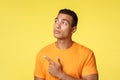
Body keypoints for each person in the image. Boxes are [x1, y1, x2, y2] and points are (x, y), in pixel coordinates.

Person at [34, 8, 98, 80]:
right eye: (56, 21)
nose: (57, 26)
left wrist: (60, 75)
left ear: (73, 29)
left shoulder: (86, 54)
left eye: (64, 23)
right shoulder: (43, 53)